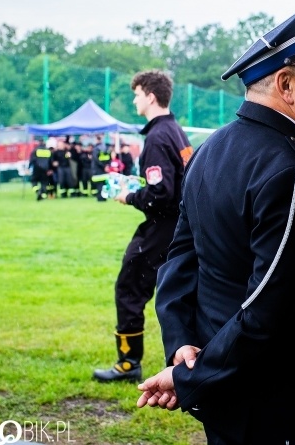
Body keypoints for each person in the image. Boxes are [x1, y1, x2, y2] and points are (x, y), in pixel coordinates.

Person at [136, 6, 295, 444]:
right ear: (286, 84)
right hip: (282, 403)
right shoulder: (290, 167)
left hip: (231, 397)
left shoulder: (210, 149)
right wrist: (191, 376)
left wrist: (181, 347)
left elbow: (178, 262)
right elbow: (268, 309)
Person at [93, 70, 193, 383]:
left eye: (137, 94)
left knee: (129, 286)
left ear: (150, 96)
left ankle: (128, 363)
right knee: (179, 294)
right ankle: (188, 360)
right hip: (183, 225)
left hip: (163, 226)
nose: (134, 100)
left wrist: (129, 196)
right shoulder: (175, 131)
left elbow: (160, 194)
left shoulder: (157, 136)